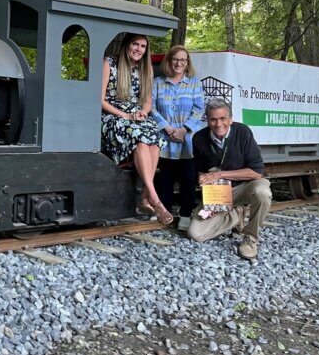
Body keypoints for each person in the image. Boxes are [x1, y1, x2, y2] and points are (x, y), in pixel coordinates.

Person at [188, 99, 272, 260]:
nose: (218, 124)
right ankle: (237, 214)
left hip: (245, 187)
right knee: (195, 234)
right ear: (207, 120)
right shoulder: (198, 138)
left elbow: (256, 172)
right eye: (213, 119)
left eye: (223, 118)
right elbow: (201, 172)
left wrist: (219, 174)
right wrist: (211, 201)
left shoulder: (243, 132)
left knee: (263, 192)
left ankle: (250, 238)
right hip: (219, 194)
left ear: (230, 119)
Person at [101, 33, 172, 224]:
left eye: (142, 46)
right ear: (126, 45)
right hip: (113, 116)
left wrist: (142, 113)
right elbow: (100, 100)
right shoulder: (110, 63)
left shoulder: (145, 68)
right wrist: (124, 116)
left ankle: (146, 195)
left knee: (155, 139)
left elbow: (147, 102)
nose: (138, 49)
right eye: (135, 44)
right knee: (141, 138)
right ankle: (153, 199)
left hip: (136, 116)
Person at [151, 46, 206, 232]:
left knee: (188, 179)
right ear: (169, 61)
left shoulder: (194, 83)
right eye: (175, 59)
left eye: (183, 60)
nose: (179, 63)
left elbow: (199, 109)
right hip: (164, 138)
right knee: (165, 178)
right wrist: (167, 128)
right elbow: (150, 107)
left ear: (187, 63)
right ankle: (164, 211)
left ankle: (185, 214)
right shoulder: (158, 82)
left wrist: (183, 129)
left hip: (187, 140)